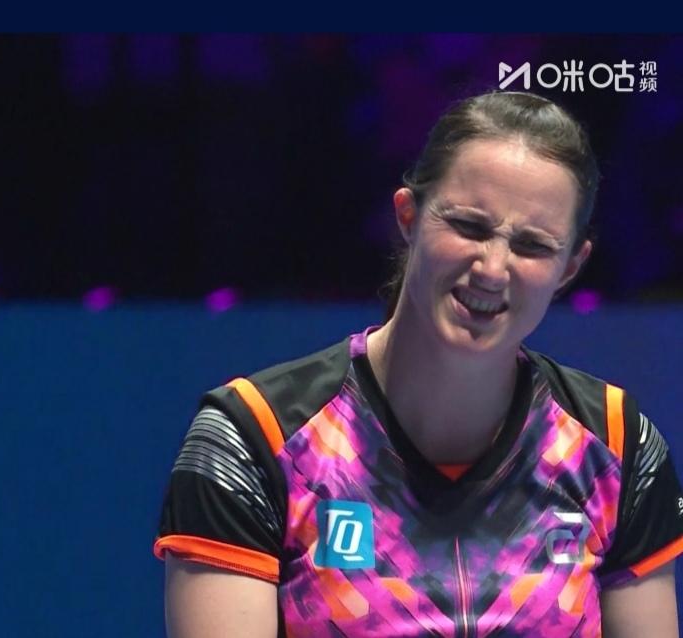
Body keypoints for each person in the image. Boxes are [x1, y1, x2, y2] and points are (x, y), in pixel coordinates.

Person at [153, 90, 683, 637]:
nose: (492, 269)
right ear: (408, 216)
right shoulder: (254, 438)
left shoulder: (618, 446)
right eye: (469, 227)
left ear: (570, 267)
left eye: (532, 246)